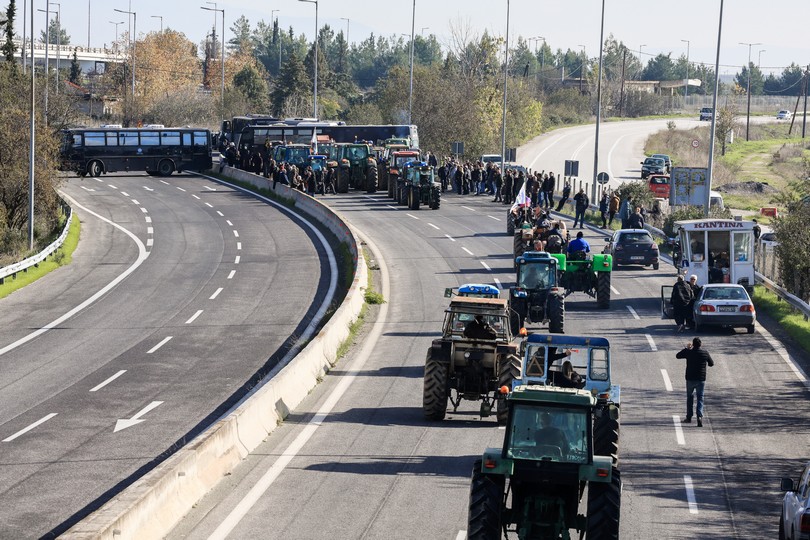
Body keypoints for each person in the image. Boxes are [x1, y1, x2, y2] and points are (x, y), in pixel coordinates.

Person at [676, 337, 714, 427]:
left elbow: (678, 356)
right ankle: (699, 416)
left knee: (690, 397)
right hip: (701, 379)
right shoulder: (705, 353)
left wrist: (687, 348)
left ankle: (689, 417)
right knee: (700, 398)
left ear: (693, 344)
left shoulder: (689, 352)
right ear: (701, 344)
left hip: (690, 378)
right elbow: (711, 363)